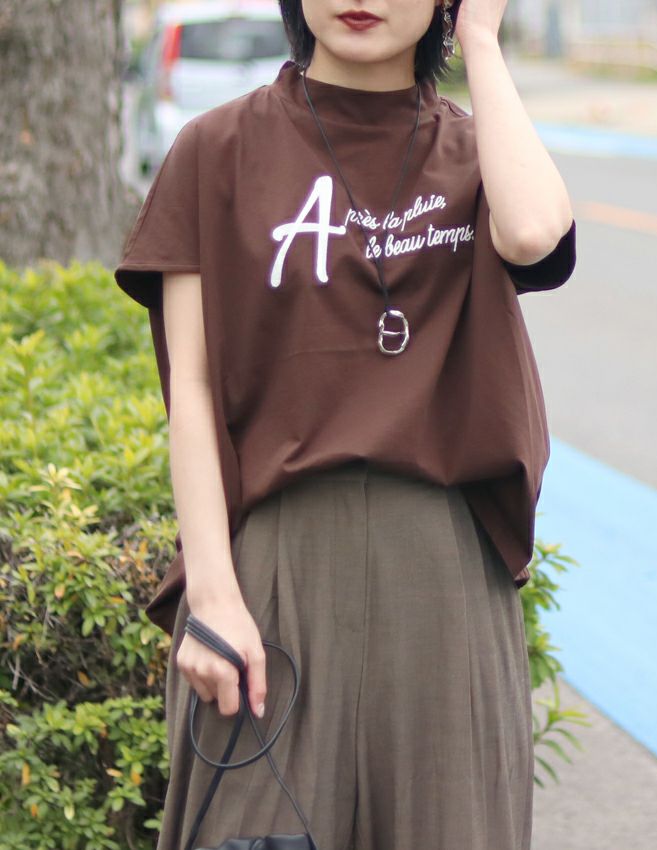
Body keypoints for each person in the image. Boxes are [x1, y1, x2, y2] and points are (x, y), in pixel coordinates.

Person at [114, 0, 576, 848]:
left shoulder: (476, 153)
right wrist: (211, 593)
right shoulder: (217, 149)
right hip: (272, 575)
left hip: (442, 584)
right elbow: (195, 389)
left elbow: (534, 233)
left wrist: (479, 38)